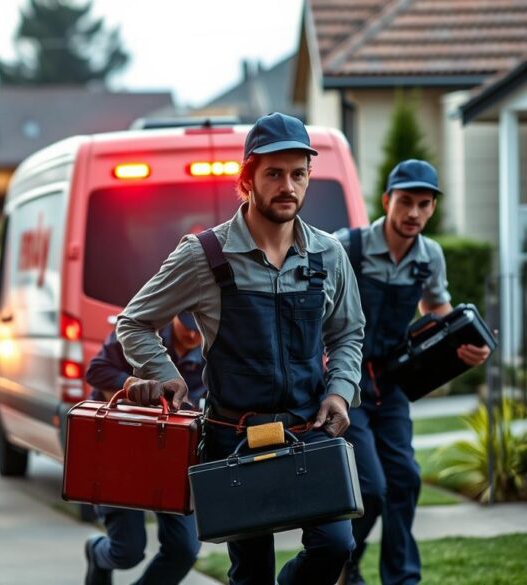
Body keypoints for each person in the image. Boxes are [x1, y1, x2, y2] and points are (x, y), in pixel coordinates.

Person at [116, 112, 366, 585]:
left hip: (309, 431)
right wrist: (166, 375)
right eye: (273, 173)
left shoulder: (329, 255)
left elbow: (348, 332)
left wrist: (340, 391)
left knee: (336, 546)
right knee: (251, 573)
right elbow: (135, 321)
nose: (287, 185)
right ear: (247, 178)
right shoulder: (204, 255)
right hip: (235, 438)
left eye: (298, 173)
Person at [334, 160, 491, 585]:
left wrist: (463, 346)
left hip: (393, 381)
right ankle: (342, 562)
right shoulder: (345, 247)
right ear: (386, 201)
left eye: (424, 205)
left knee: (405, 480)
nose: (414, 214)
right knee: (370, 488)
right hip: (346, 385)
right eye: (405, 202)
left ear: (432, 209)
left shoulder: (429, 257)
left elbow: (438, 312)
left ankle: (402, 578)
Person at [83, 309, 205, 585]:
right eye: (187, 325)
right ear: (174, 315)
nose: (193, 334)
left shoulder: (214, 347)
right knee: (127, 552)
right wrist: (130, 383)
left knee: (184, 549)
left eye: (199, 328)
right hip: (123, 449)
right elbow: (95, 369)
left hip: (173, 457)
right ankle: (96, 553)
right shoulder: (140, 331)